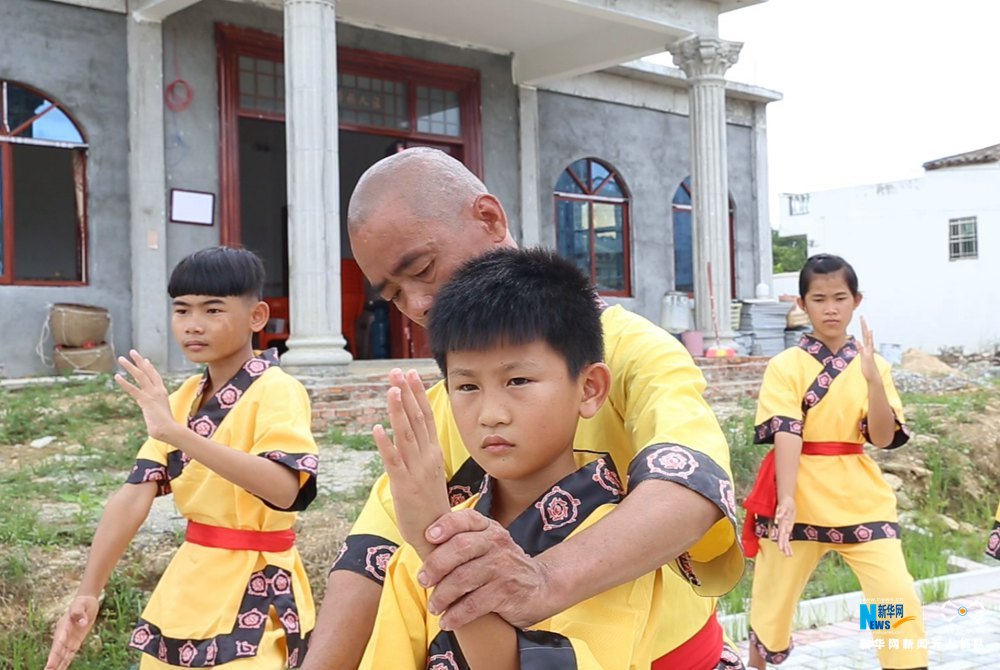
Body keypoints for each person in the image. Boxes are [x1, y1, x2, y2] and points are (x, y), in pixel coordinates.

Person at [304, 147, 745, 670]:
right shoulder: (450, 401)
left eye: (422, 269)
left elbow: (690, 487)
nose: (418, 305)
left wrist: (544, 580)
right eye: (394, 295)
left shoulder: (631, 350)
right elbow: (375, 550)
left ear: (489, 219)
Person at [362, 247, 661, 668]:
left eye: (518, 380)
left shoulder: (612, 547)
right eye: (466, 387)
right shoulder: (418, 548)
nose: (491, 415)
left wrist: (443, 548)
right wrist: (433, 539)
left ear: (590, 388)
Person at [45, 247, 319, 670]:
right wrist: (89, 589)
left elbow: (285, 490)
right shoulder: (182, 399)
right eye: (182, 310)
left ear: (257, 317)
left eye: (212, 310)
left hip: (256, 582)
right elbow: (134, 495)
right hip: (189, 579)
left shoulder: (279, 390)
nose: (194, 326)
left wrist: (177, 434)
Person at [742, 254, 927, 670]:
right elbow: (787, 431)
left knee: (893, 594)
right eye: (819, 299)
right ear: (802, 305)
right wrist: (786, 499)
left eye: (840, 298)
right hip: (797, 495)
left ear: (856, 301)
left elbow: (881, 437)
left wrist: (874, 380)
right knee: (773, 602)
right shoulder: (784, 365)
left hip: (860, 497)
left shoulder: (875, 364)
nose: (830, 308)